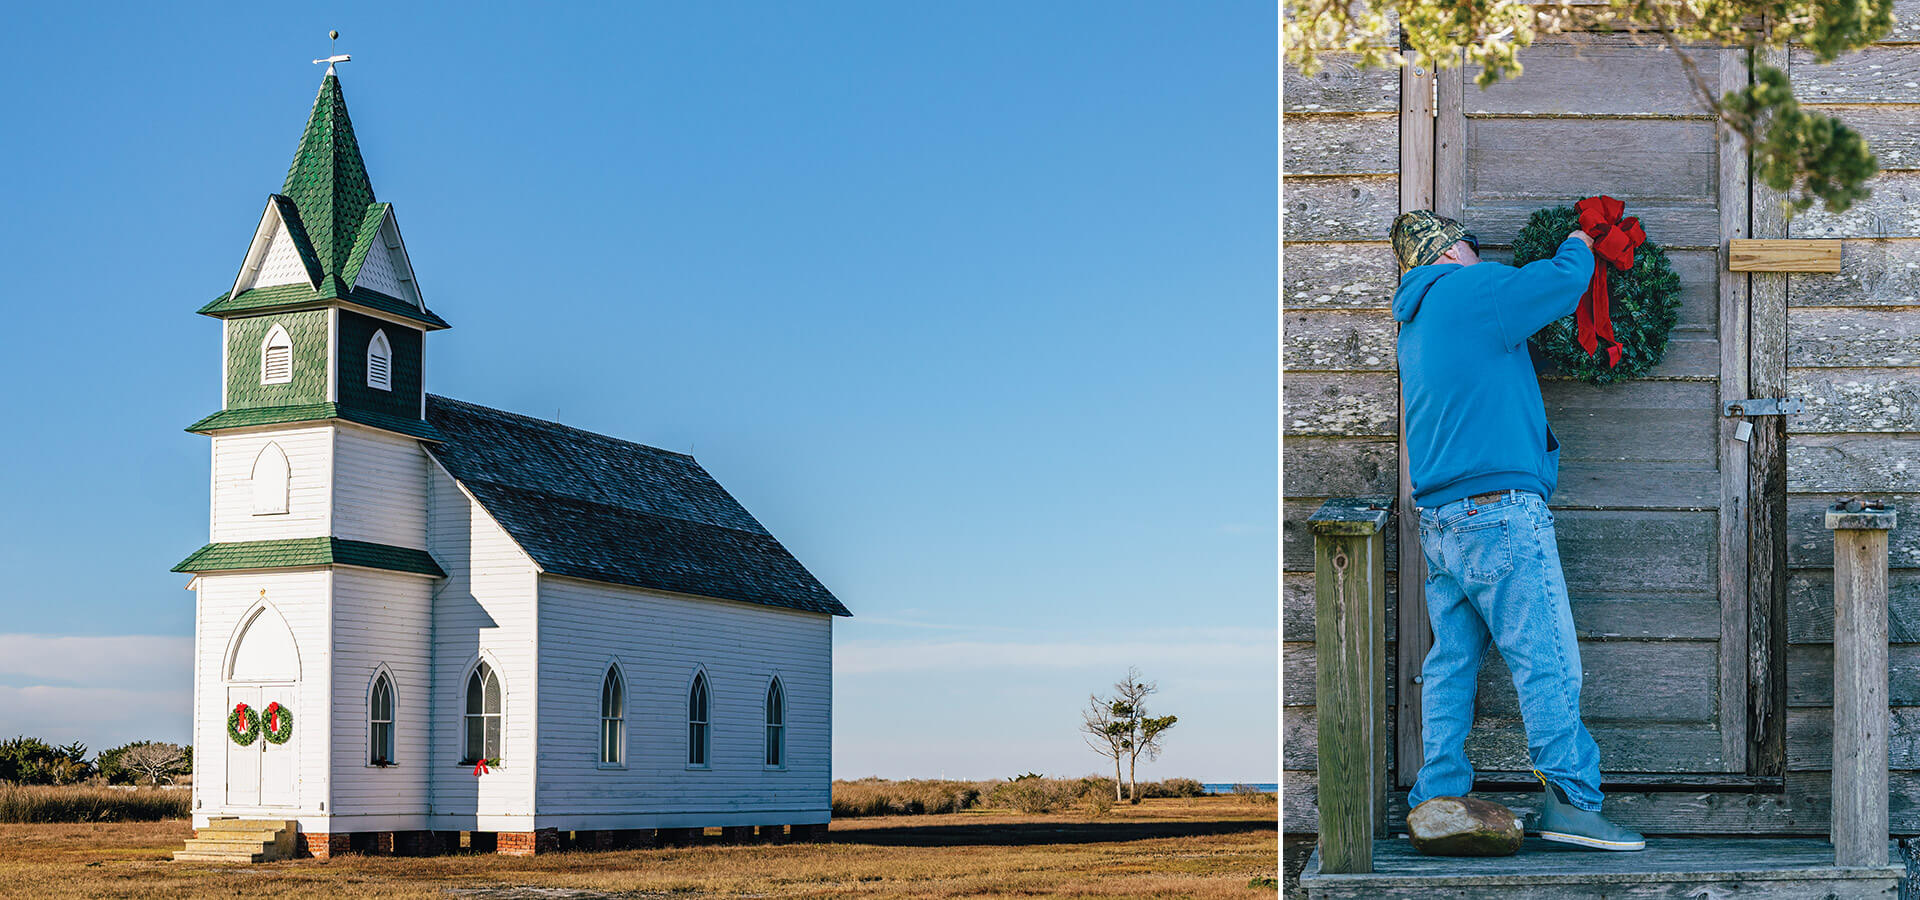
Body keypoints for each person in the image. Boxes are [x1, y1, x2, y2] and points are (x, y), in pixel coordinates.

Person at [1389, 210, 1646, 852]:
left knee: (1451, 662)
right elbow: (1558, 284)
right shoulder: (1470, 291)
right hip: (1498, 513)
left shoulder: (1414, 322)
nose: (1479, 254)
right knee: (1546, 658)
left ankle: (1437, 798)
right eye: (1471, 245)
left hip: (1442, 522)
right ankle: (1572, 803)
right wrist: (1580, 240)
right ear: (1450, 251)